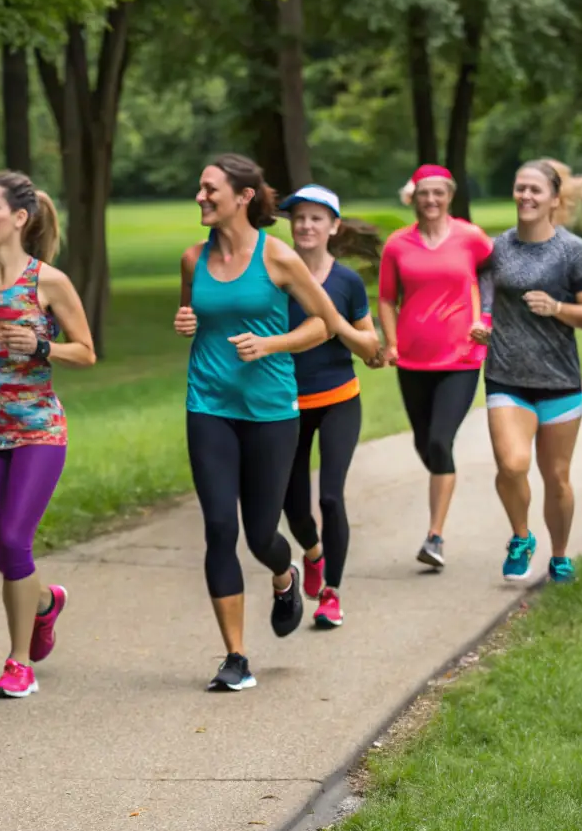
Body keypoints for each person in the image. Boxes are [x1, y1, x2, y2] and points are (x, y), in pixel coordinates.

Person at [174, 156, 352, 693]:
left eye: (210, 189)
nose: (200, 197)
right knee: (219, 530)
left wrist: (272, 343)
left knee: (258, 536)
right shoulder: (192, 259)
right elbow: (193, 315)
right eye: (201, 188)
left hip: (272, 412)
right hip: (208, 406)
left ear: (244, 196)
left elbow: (325, 324)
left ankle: (286, 573)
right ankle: (235, 656)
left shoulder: (278, 257)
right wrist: (186, 322)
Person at [0, 170, 95, 699]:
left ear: (20, 217)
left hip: (37, 429)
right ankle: (43, 603)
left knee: (15, 539)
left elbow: (86, 351)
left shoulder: (46, 282)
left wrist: (40, 347)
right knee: (3, 552)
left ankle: (18, 662)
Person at [470, 159, 582, 583]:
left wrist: (558, 307)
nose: (526, 197)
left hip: (560, 381)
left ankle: (561, 554)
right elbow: (482, 297)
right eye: (520, 188)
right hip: (507, 377)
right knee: (512, 465)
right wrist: (480, 323)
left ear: (553, 199)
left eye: (535, 190)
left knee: (558, 477)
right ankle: (521, 535)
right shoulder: (496, 249)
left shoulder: (571, 251)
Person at [376, 164, 493, 570]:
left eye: (439, 193)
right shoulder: (397, 245)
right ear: (414, 197)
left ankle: (435, 536)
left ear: (450, 196)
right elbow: (387, 299)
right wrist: (390, 343)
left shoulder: (471, 238)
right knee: (424, 444)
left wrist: (487, 319)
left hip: (461, 357)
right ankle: (445, 479)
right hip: (412, 358)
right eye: (424, 193)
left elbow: (494, 274)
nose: (431, 201)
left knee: (441, 441)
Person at [278, 186, 380, 628]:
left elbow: (371, 349)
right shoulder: (275, 276)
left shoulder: (347, 282)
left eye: (316, 218)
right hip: (286, 404)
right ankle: (314, 554)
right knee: (292, 505)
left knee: (331, 497)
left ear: (333, 227)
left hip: (339, 399)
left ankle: (332, 593)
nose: (306, 226)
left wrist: (334, 323)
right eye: (299, 218)